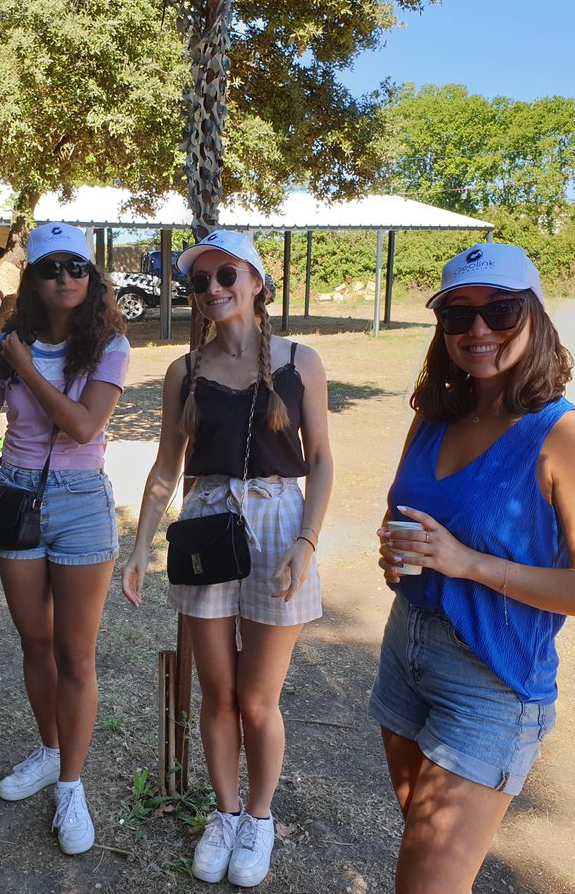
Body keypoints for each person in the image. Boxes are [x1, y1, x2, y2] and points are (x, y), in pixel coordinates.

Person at [372, 243, 575, 890]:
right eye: (458, 316)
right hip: (407, 651)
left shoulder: (566, 436)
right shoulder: (436, 414)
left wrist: (466, 563)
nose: (478, 331)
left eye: (501, 311)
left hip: (491, 682)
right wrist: (396, 547)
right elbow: (406, 509)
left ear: (534, 316)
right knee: (425, 860)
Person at [121, 229, 333, 887]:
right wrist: (139, 548)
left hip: (278, 522)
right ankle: (226, 812)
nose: (212, 289)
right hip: (207, 525)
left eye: (225, 275)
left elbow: (322, 461)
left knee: (257, 700)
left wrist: (306, 540)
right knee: (217, 695)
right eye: (200, 281)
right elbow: (165, 468)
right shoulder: (184, 372)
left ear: (256, 282)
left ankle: (260, 820)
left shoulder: (301, 360)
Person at [0, 222, 129, 855]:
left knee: (77, 653)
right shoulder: (4, 345)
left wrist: (25, 370)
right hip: (15, 496)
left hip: (83, 502)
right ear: (32, 279)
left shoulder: (109, 344)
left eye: (77, 268)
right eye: (51, 268)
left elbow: (85, 427)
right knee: (35, 641)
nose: (65, 278)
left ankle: (71, 786)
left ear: (92, 279)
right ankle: (48, 748)